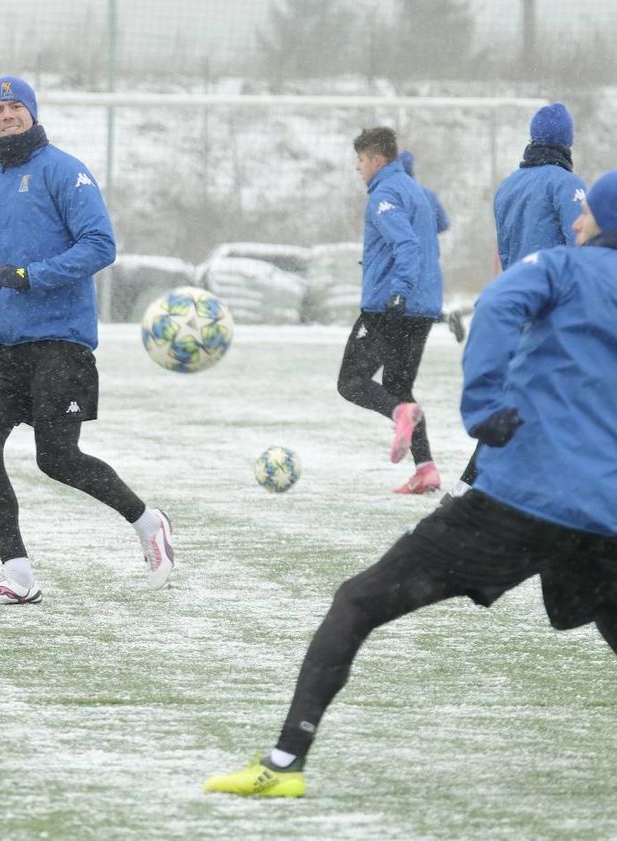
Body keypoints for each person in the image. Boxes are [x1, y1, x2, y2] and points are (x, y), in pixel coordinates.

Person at [203, 169, 617, 800]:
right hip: (604, 518)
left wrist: (482, 406)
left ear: (597, 219)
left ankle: (284, 764)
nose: (577, 216)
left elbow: (500, 304)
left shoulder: (559, 266)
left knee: (357, 603)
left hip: (516, 505)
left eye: (586, 210)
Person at [0, 75, 175, 605]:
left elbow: (100, 245)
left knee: (58, 458)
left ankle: (149, 523)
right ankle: (19, 575)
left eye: (15, 106)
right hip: (1, 345)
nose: (7, 115)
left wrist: (33, 275)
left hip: (60, 341)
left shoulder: (64, 171)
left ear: (32, 113)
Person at [449, 102, 586, 499]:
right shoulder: (566, 185)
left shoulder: (508, 186)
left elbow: (503, 252)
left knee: (525, 401)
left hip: (517, 310)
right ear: (567, 142)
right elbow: (583, 245)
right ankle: (473, 488)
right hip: (555, 312)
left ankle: (472, 487)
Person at [336, 127, 444, 495]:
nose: (358, 167)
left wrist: (398, 292)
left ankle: (400, 416)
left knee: (351, 382)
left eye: (361, 160)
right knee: (399, 386)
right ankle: (426, 468)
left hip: (391, 307)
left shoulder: (385, 193)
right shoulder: (416, 190)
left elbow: (407, 244)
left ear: (376, 160)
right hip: (423, 307)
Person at [400, 149, 465, 344]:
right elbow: (444, 224)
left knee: (406, 311)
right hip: (429, 260)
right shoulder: (429, 196)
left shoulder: (395, 197)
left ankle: (400, 360)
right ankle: (446, 317)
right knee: (423, 307)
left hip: (406, 260)